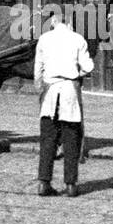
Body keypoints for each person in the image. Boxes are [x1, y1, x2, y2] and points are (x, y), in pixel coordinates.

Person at [34, 12, 94, 197]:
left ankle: (44, 183)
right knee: (71, 139)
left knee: (48, 140)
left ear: (53, 22)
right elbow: (88, 67)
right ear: (69, 23)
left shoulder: (44, 39)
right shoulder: (78, 39)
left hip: (50, 91)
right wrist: (78, 72)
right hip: (69, 91)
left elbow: (38, 69)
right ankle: (71, 185)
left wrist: (40, 89)